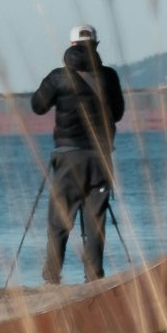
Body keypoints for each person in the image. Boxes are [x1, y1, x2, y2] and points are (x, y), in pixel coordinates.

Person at [32, 24, 126, 283]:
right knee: (95, 223)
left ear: (71, 44)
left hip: (68, 156)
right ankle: (94, 277)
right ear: (96, 44)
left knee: (59, 221)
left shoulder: (57, 77)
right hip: (101, 158)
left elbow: (37, 107)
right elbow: (117, 114)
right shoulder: (109, 76)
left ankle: (52, 278)